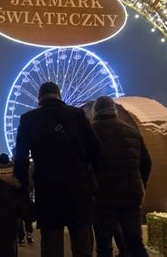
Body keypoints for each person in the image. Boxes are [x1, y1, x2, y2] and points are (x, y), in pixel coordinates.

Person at [14, 82, 101, 257]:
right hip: (78, 189)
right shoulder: (77, 114)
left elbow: (20, 162)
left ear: (39, 98)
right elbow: (96, 150)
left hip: (48, 191)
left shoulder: (28, 119)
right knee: (82, 248)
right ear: (59, 96)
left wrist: (23, 197)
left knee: (51, 249)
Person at [91, 96, 151, 257]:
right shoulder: (132, 131)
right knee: (134, 243)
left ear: (95, 111)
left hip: (103, 197)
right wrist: (140, 184)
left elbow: (86, 164)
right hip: (131, 196)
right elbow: (147, 162)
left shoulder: (91, 132)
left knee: (104, 245)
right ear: (114, 109)